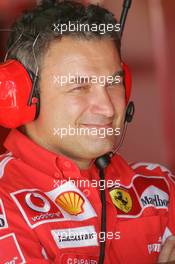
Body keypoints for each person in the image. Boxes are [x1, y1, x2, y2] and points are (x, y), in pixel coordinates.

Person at [0, 1, 174, 263]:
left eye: (114, 82)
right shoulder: (5, 201)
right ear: (23, 96)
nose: (107, 108)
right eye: (79, 87)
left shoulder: (161, 187)